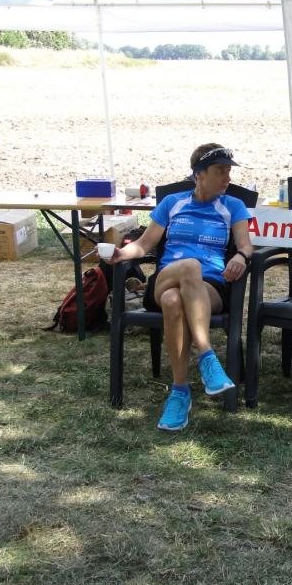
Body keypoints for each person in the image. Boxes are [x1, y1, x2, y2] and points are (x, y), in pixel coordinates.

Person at [108, 143, 253, 430]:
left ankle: (179, 392)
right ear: (199, 174)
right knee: (189, 266)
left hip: (210, 285)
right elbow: (144, 244)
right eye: (220, 171)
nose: (227, 178)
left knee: (174, 301)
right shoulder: (173, 202)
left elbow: (245, 244)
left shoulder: (233, 206)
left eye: (229, 171)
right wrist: (122, 254)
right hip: (167, 277)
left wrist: (240, 256)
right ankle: (207, 356)